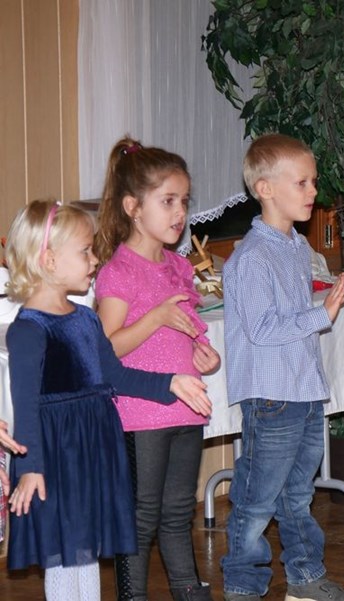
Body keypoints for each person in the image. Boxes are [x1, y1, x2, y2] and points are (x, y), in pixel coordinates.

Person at [4, 200, 212, 601]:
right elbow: (25, 405)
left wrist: (170, 383)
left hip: (91, 448)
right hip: (56, 455)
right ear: (49, 260)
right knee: (64, 552)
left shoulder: (86, 319)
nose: (95, 260)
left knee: (86, 549)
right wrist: (30, 468)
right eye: (85, 251)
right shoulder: (29, 330)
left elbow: (115, 376)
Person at [221, 134, 344, 601]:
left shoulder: (296, 246)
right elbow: (262, 329)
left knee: (298, 494)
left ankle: (304, 576)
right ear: (265, 189)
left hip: (303, 392)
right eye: (302, 182)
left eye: (313, 181)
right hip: (272, 397)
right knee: (257, 499)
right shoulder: (251, 257)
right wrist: (322, 314)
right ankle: (242, 584)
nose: (313, 191)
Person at [92, 137, 221, 601]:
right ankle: (133, 595)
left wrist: (206, 353)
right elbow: (106, 347)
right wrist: (155, 318)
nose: (179, 212)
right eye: (167, 201)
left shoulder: (178, 267)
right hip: (141, 413)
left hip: (186, 408)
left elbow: (189, 328)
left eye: (184, 201)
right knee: (142, 514)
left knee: (178, 511)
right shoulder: (118, 272)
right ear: (133, 207)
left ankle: (187, 589)